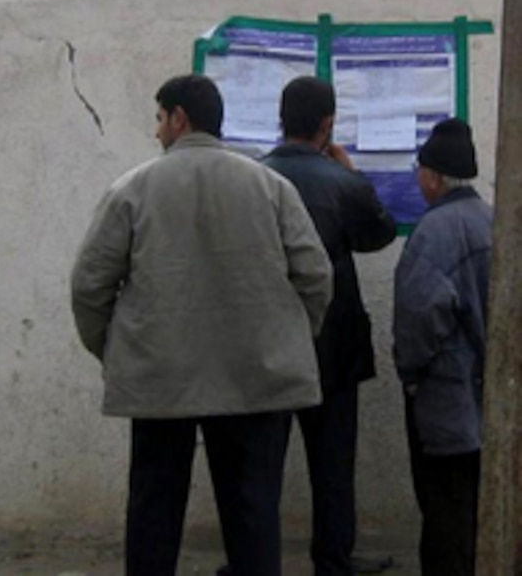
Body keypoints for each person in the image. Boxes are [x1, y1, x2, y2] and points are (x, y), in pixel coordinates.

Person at [71, 73, 333, 576]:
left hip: (159, 378)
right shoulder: (271, 187)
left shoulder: (133, 189)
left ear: (179, 118)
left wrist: (117, 351)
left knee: (154, 509)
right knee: (253, 513)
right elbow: (315, 277)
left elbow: (89, 285)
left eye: (158, 118)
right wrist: (289, 342)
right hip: (256, 376)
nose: (156, 131)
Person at [262, 76, 397, 576]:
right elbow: (378, 234)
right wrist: (353, 174)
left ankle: (256, 559)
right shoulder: (342, 182)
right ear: (327, 124)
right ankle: (333, 561)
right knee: (333, 465)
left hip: (269, 349)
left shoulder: (256, 178)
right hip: (333, 350)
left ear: (281, 119)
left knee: (261, 465)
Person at [393, 118, 492, 576]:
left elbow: (418, 320)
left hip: (446, 404)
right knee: (478, 514)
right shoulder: (492, 221)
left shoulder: (434, 232)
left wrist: (410, 377)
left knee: (445, 518)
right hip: (487, 404)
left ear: (432, 176)